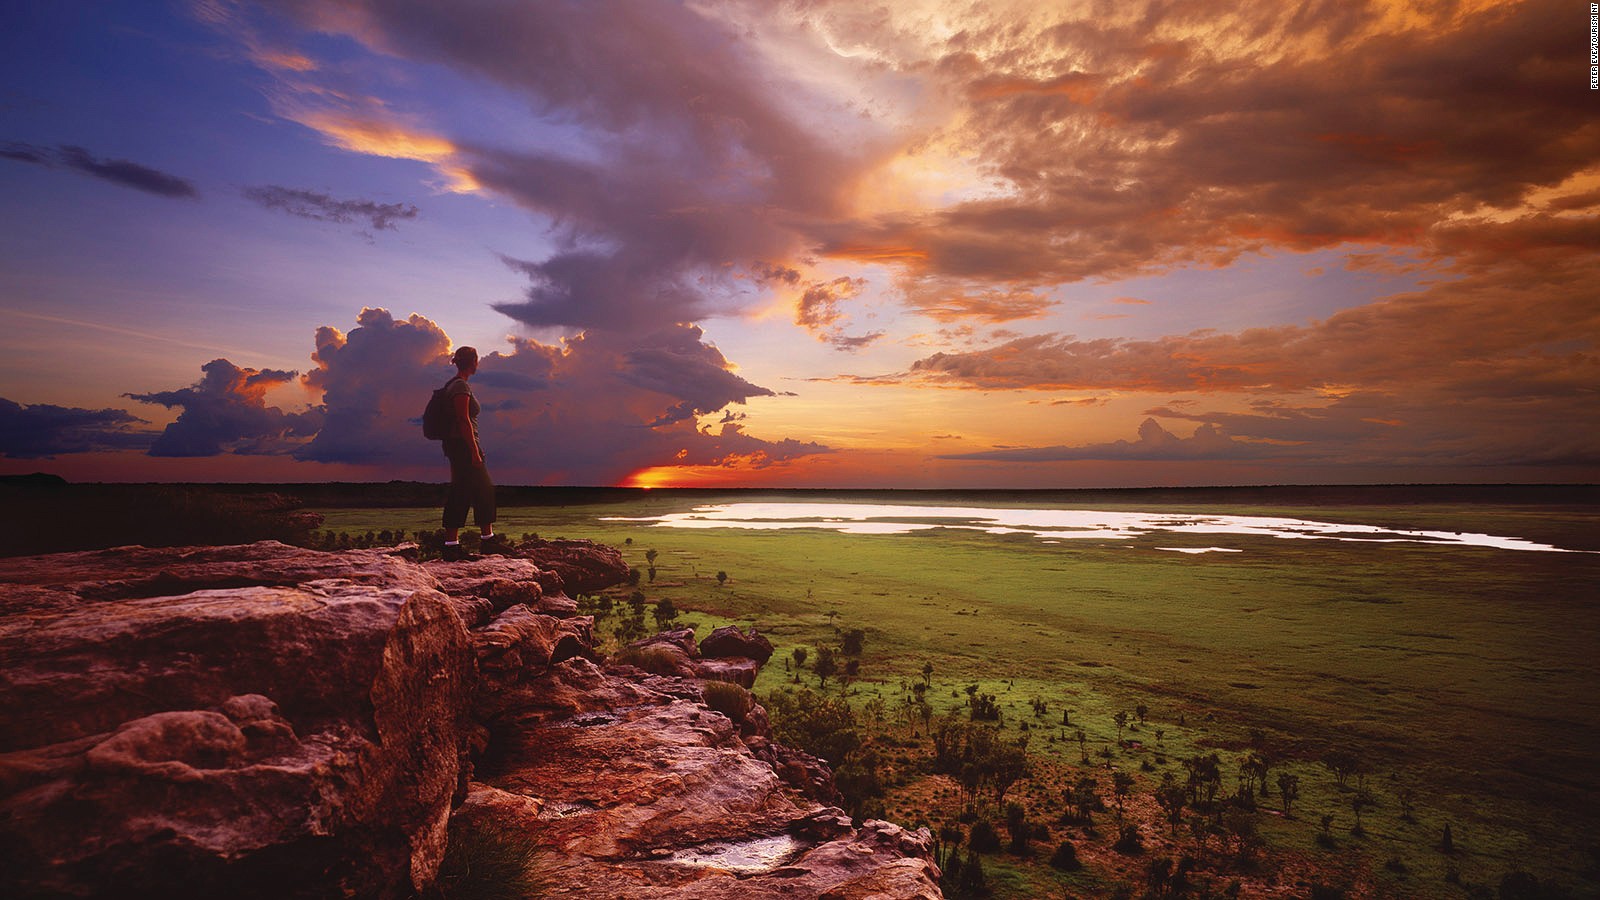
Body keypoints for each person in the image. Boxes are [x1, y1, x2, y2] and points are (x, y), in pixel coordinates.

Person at [439, 346, 505, 560]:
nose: (478, 364)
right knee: (468, 491)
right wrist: (474, 451)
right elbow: (463, 420)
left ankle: (480, 541)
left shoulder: (457, 385)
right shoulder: (460, 386)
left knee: (479, 490)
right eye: (477, 360)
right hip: (463, 447)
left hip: (462, 446)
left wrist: (474, 447)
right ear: (473, 362)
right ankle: (456, 545)